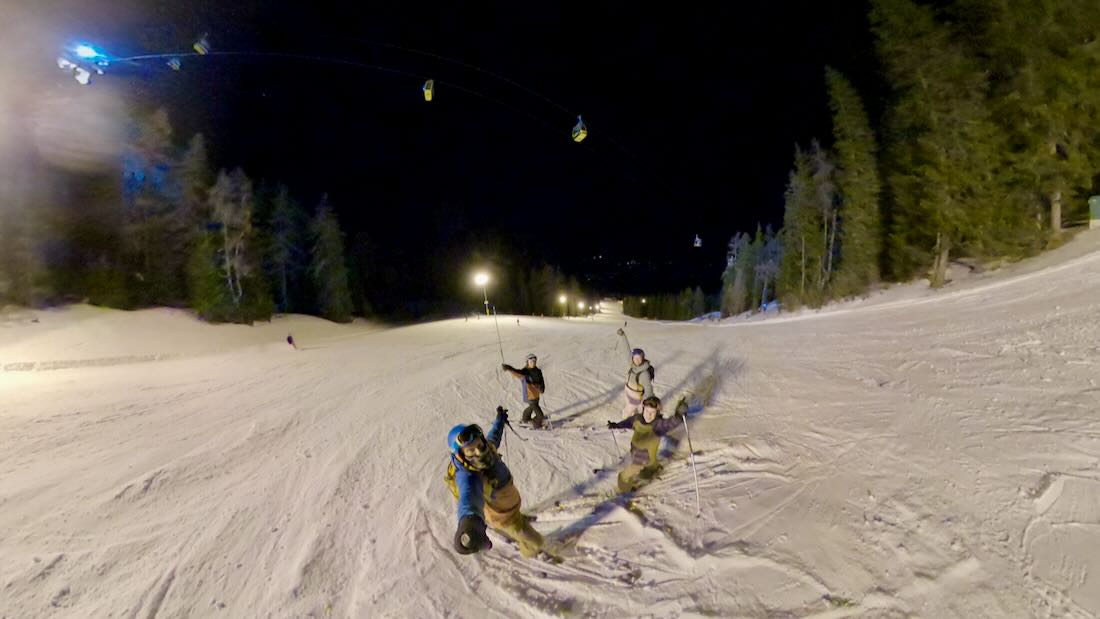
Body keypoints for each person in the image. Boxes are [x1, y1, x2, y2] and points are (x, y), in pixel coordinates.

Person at [446, 407, 544, 558]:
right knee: (535, 541)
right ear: (460, 456)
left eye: (479, 445)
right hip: (504, 518)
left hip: (510, 505)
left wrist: (500, 420)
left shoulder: (488, 451)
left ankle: (519, 518)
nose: (479, 452)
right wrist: (470, 522)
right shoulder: (470, 476)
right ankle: (532, 552)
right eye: (470, 451)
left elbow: (494, 436)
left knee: (518, 518)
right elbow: (469, 496)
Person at [607, 396, 682, 493]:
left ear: (657, 413)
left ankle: (623, 492)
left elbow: (670, 423)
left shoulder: (658, 425)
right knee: (639, 474)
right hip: (635, 455)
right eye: (647, 411)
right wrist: (617, 425)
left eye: (652, 412)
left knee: (622, 477)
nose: (649, 415)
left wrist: (679, 416)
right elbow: (628, 422)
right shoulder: (637, 419)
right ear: (643, 409)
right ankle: (649, 472)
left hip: (644, 463)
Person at [616, 328, 655, 420]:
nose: (637, 360)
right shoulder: (632, 363)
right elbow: (626, 350)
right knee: (632, 408)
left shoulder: (644, 373)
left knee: (627, 411)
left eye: (639, 358)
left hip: (635, 396)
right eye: (635, 358)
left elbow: (648, 388)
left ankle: (624, 423)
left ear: (643, 358)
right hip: (627, 391)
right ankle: (634, 415)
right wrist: (622, 336)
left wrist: (651, 401)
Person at [502, 354, 546, 429]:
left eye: (534, 361)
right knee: (540, 415)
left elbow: (542, 381)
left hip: (536, 395)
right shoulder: (525, 372)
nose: (533, 363)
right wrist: (509, 368)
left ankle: (525, 419)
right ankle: (537, 424)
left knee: (531, 407)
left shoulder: (538, 371)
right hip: (529, 396)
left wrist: (542, 388)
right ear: (527, 362)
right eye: (531, 361)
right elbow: (516, 372)